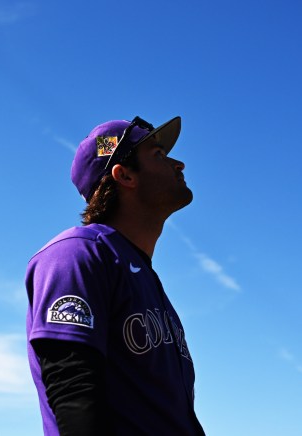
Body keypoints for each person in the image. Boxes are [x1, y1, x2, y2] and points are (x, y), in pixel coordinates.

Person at [25, 115, 205, 435]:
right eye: (159, 156)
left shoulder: (146, 278)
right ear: (124, 176)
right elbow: (73, 391)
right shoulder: (76, 255)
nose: (180, 165)